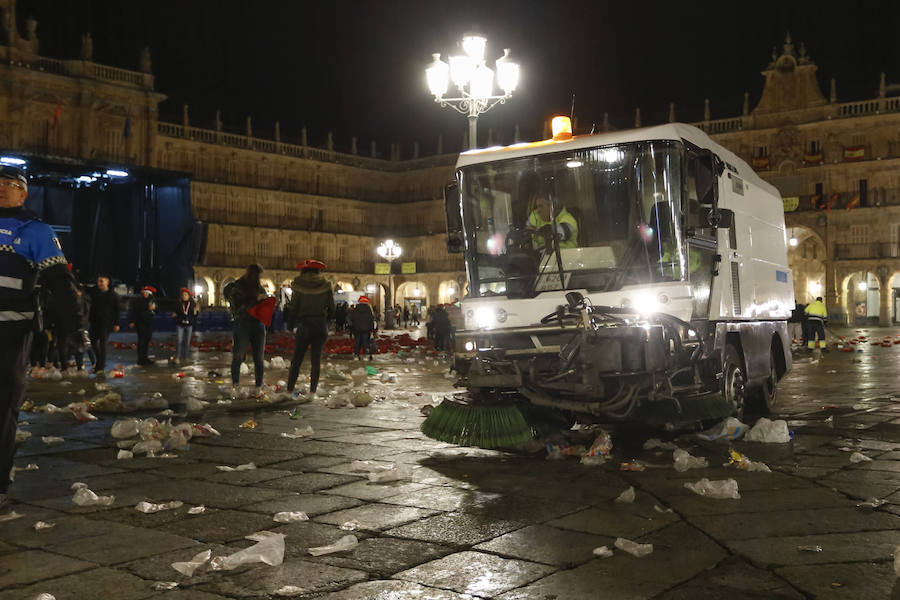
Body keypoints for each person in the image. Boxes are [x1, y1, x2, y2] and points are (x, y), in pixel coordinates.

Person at [0, 164, 79, 509]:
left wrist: (75, 327)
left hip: (11, 330)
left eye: (9, 184)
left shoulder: (36, 231)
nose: (1, 189)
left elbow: (61, 283)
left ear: (23, 192)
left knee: (2, 407)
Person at [285, 259, 334, 399]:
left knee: (297, 360)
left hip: (304, 325)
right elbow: (331, 308)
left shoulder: (299, 285)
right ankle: (312, 392)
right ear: (318, 271)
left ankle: (289, 391)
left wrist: (290, 324)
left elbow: (293, 307)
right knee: (316, 360)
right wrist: (327, 321)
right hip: (320, 325)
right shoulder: (325, 285)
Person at [224, 263, 268, 392]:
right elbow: (237, 309)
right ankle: (236, 384)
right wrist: (256, 300)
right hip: (243, 324)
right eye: (258, 275)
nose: (259, 278)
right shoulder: (237, 288)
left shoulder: (259, 288)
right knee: (238, 356)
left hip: (258, 325)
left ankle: (258, 385)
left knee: (259, 358)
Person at [87, 275, 120, 374]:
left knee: (102, 344)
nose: (99, 283)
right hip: (94, 322)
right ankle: (100, 361)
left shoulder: (113, 295)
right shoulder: (95, 292)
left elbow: (117, 311)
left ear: (107, 282)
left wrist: (117, 323)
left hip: (106, 323)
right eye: (98, 281)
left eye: (101, 281)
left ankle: (100, 365)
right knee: (93, 342)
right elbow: (86, 289)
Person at [130, 285, 156, 366]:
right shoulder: (139, 301)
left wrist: (153, 309)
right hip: (140, 323)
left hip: (149, 323)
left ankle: (145, 357)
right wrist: (132, 321)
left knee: (147, 340)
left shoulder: (152, 301)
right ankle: (140, 359)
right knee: (142, 340)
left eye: (146, 292)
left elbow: (155, 310)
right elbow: (134, 312)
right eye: (144, 292)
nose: (145, 294)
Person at [172, 287, 198, 365]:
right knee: (179, 341)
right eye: (183, 295)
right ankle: (177, 357)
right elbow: (175, 313)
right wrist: (178, 314)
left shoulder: (192, 304)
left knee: (187, 342)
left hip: (189, 325)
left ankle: (186, 357)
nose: (184, 296)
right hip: (180, 324)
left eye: (186, 295)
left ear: (189, 296)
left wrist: (195, 313)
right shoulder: (178, 303)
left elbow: (195, 314)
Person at [348, 295, 376, 360]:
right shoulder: (368, 310)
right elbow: (371, 320)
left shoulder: (356, 309)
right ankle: (365, 355)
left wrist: (353, 327)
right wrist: (372, 330)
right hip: (366, 329)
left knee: (357, 342)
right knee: (365, 342)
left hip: (357, 329)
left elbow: (352, 318)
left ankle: (356, 355)